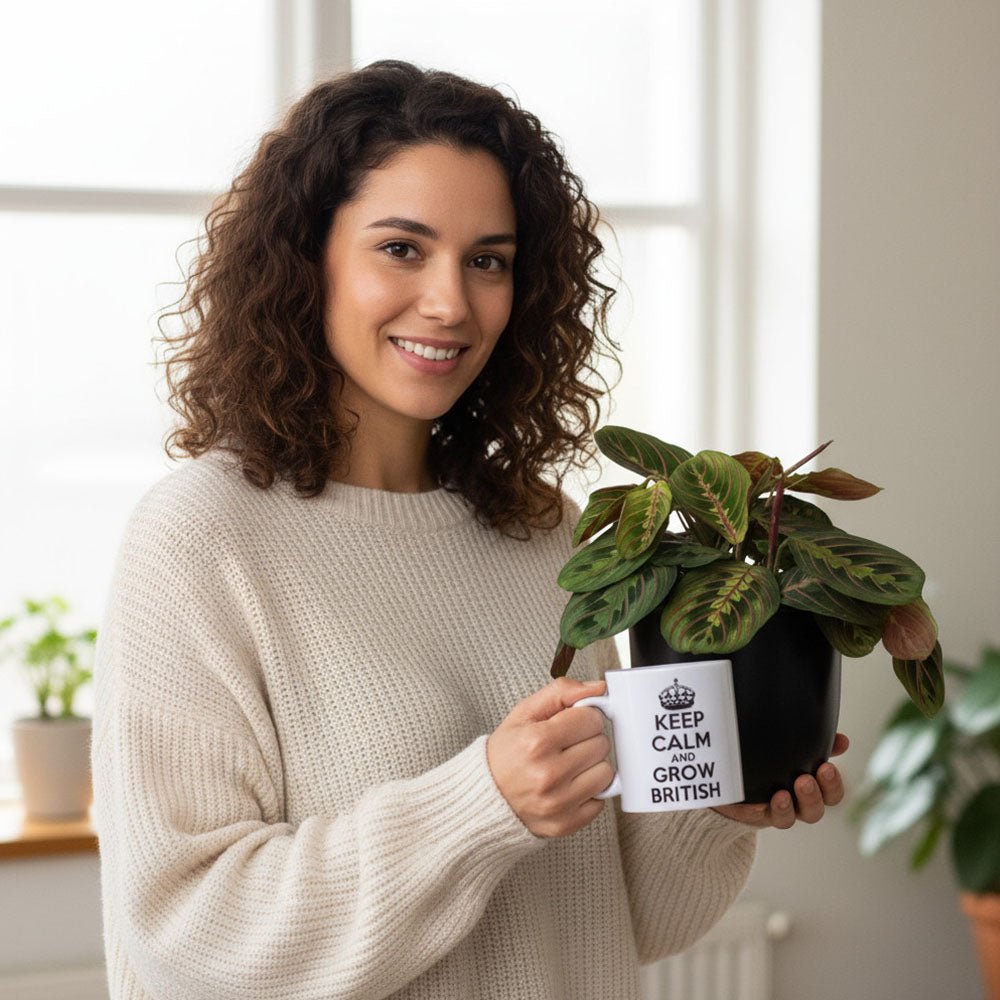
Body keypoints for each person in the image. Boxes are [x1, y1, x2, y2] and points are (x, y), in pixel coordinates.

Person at [92, 59, 846, 1000]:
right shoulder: (203, 541)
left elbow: (625, 918)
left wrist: (718, 806)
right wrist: (480, 805)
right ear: (306, 256)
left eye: (487, 259)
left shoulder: (548, 531)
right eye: (402, 248)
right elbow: (185, 938)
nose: (452, 302)